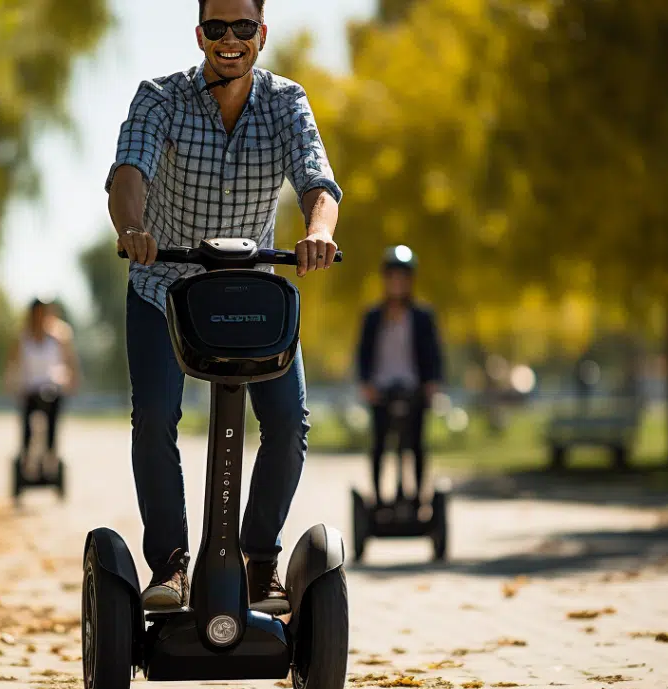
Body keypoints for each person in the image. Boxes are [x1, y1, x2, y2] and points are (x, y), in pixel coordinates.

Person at [105, 0, 342, 614]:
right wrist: (133, 228)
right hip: (164, 287)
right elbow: (128, 172)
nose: (229, 40)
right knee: (155, 417)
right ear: (201, 35)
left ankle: (260, 561)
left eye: (243, 27)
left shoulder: (286, 102)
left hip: (248, 293)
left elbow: (318, 182)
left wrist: (317, 232)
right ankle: (171, 566)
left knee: (289, 422)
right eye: (217, 28)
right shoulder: (160, 97)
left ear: (261, 34)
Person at [356, 246, 445, 508]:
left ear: (410, 281)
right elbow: (363, 353)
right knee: (380, 444)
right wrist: (366, 383)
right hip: (381, 388)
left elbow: (433, 352)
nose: (397, 282)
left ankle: (417, 498)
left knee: (415, 444)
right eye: (392, 276)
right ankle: (378, 499)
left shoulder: (422, 316)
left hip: (413, 387)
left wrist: (432, 383)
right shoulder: (373, 316)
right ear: (385, 279)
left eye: (402, 277)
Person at [6, 299, 81, 472]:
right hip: (29, 389)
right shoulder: (22, 339)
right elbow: (12, 365)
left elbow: (69, 363)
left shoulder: (58, 338)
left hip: (50, 388)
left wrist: (72, 380)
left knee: (53, 410)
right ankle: (26, 454)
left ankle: (51, 452)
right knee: (27, 419)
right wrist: (12, 384)